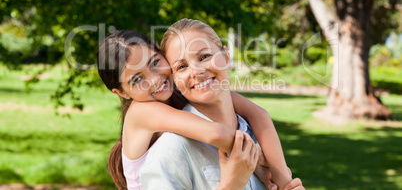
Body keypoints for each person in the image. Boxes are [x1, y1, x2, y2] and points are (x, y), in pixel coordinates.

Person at [97, 29, 302, 190]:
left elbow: (259, 114)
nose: (155, 79)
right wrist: (258, 162)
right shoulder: (140, 112)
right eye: (138, 79)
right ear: (121, 92)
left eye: (155, 62)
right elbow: (217, 133)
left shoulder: (181, 90)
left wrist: (283, 180)